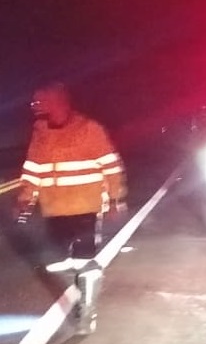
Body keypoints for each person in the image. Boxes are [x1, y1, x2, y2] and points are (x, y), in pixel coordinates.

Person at [13, 82, 127, 272]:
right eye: (34, 103)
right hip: (54, 207)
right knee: (60, 247)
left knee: (84, 258)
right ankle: (74, 268)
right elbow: (33, 169)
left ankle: (86, 295)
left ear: (58, 102)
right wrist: (25, 199)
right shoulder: (40, 134)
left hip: (85, 206)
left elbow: (111, 167)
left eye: (40, 102)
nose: (35, 106)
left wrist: (115, 201)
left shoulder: (89, 129)